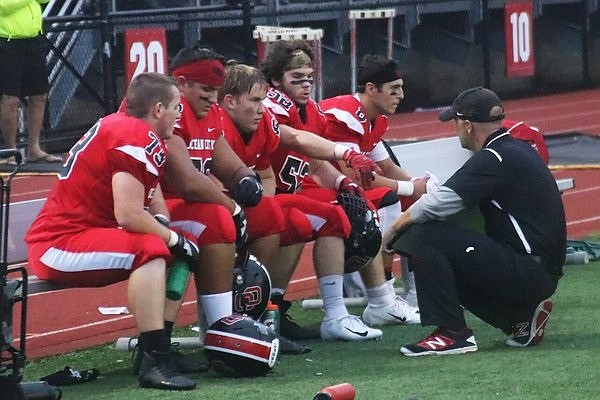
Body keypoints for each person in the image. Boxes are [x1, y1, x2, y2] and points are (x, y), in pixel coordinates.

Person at [25, 73, 197, 390]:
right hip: (60, 242)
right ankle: (154, 359)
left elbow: (148, 187)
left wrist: (162, 222)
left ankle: (158, 346)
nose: (179, 114)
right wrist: (172, 237)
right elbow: (129, 214)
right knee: (153, 249)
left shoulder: (129, 127)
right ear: (158, 109)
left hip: (77, 234)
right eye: (176, 107)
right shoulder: (132, 134)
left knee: (164, 245)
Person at [382, 87, 566, 356]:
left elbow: (436, 202)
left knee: (424, 235)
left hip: (529, 271)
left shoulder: (493, 158)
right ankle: (520, 318)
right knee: (450, 252)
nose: (455, 129)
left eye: (455, 122)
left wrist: (392, 232)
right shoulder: (514, 148)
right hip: (541, 271)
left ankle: (451, 333)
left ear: (467, 126)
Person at [220, 63, 391, 341]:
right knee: (288, 218)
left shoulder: (274, 118)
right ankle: (242, 314)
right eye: (254, 101)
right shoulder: (219, 125)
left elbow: (279, 161)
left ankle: (282, 309)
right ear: (230, 101)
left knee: (326, 216)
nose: (262, 108)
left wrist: (344, 160)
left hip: (258, 199)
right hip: (207, 206)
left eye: (262, 100)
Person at [260, 41, 420, 330]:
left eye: (309, 77)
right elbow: (296, 139)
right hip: (267, 193)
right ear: (275, 80)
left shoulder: (311, 109)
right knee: (339, 213)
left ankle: (281, 307)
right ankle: (338, 310)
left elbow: (315, 163)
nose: (306, 84)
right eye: (297, 78)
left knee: (357, 207)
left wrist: (344, 183)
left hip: (292, 188)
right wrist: (345, 156)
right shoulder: (272, 105)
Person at [319, 54, 430, 308]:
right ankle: (384, 295)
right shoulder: (344, 115)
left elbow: (388, 167)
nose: (401, 95)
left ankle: (414, 289)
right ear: (371, 89)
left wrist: (421, 186)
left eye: (400, 88)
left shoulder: (375, 118)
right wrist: (411, 187)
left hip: (340, 183)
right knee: (391, 200)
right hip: (321, 182)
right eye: (394, 89)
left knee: (417, 203)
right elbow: (356, 177)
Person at [0, 0, 62, 165]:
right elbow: (3, 6)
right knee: (10, 98)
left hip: (34, 39)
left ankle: (34, 148)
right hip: (7, 41)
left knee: (39, 95)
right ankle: (10, 152)